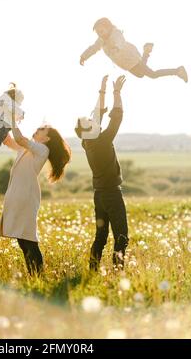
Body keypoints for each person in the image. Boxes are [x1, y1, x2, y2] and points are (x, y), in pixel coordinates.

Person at [0, 104, 71, 276]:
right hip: (17, 195)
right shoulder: (28, 148)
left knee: (28, 238)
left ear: (46, 139)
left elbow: (21, 139)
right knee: (22, 240)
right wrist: (1, 118)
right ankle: (34, 275)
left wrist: (14, 117)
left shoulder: (42, 150)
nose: (37, 130)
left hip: (26, 197)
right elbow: (9, 141)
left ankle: (38, 275)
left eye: (41, 130)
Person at [75, 75, 129, 270]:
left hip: (99, 195)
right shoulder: (103, 141)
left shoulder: (87, 142)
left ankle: (93, 270)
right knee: (121, 236)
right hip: (112, 195)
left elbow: (98, 114)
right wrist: (116, 93)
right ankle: (117, 271)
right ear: (90, 129)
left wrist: (102, 90)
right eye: (91, 123)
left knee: (101, 236)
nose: (95, 121)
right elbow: (117, 115)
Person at [80, 17, 188, 82]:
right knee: (140, 75)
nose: (100, 34)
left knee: (152, 74)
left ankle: (178, 71)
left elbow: (120, 42)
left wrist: (116, 48)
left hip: (132, 58)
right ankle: (146, 51)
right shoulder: (101, 40)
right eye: (98, 32)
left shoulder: (115, 33)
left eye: (101, 31)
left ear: (108, 28)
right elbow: (93, 48)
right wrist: (84, 56)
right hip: (126, 64)